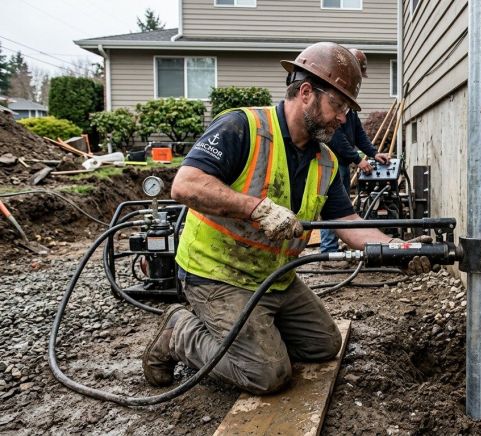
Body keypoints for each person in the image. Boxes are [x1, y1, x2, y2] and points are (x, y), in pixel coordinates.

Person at [141, 42, 430, 395]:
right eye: (338, 106)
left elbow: (348, 222)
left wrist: (397, 248)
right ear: (306, 92)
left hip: (274, 278)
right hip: (216, 274)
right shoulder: (243, 127)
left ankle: (256, 329)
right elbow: (185, 185)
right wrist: (255, 208)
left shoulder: (326, 161)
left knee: (324, 345)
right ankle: (179, 331)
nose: (343, 119)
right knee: (267, 375)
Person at [319, 48, 390, 257]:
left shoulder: (348, 106)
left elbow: (358, 133)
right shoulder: (332, 99)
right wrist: (358, 159)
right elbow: (336, 138)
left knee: (341, 207)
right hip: (331, 160)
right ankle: (328, 252)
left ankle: (334, 247)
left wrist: (374, 153)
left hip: (342, 162)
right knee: (332, 208)